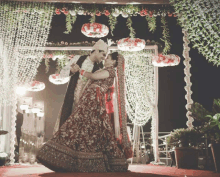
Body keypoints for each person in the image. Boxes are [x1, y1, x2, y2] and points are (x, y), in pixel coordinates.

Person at [36, 52, 133, 172]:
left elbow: (93, 77)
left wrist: (79, 70)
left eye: (108, 57)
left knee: (87, 126)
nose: (105, 58)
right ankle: (67, 157)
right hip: (89, 100)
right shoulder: (105, 70)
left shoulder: (110, 71)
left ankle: (94, 160)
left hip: (93, 102)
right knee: (81, 126)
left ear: (113, 62)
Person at [53, 39, 108, 134]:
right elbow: (62, 73)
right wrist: (71, 71)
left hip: (86, 102)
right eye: (103, 54)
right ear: (97, 50)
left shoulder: (99, 68)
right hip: (72, 98)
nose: (104, 58)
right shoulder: (78, 58)